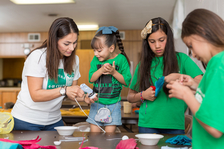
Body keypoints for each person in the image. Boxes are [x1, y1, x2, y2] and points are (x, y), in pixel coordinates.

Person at [11, 17, 97, 131]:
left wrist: (85, 97)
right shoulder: (38, 57)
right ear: (54, 40)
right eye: (66, 43)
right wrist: (64, 90)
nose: (71, 48)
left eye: (74, 42)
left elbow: (71, 92)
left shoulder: (74, 60)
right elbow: (35, 95)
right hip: (26, 120)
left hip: (54, 121)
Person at [127, 17, 203, 134]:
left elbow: (201, 84)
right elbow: (130, 96)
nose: (157, 45)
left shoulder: (182, 59)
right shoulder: (143, 65)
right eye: (152, 42)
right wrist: (143, 95)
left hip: (175, 123)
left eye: (161, 40)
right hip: (147, 124)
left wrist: (179, 77)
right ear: (147, 43)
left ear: (169, 38)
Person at [167, 9, 224, 148]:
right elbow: (215, 101)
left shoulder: (218, 64)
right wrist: (194, 85)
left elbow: (215, 129)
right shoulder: (217, 63)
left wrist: (186, 95)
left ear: (202, 31)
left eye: (191, 46)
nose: (193, 54)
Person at [86, 26, 132, 133]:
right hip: (96, 103)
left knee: (109, 135)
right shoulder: (95, 60)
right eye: (94, 50)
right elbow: (91, 79)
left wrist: (114, 72)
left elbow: (126, 81)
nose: (96, 54)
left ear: (111, 48)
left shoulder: (121, 59)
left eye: (99, 50)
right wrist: (101, 70)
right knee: (94, 135)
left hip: (113, 104)